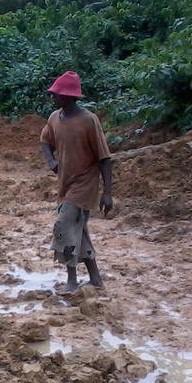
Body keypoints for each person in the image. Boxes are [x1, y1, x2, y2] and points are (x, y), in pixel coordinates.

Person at [40, 71, 113, 294]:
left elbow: (104, 158)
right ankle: (95, 279)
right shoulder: (54, 118)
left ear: (70, 97)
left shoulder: (88, 121)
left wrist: (107, 193)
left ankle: (72, 281)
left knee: (64, 226)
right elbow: (44, 140)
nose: (54, 98)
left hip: (85, 185)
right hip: (66, 185)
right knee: (78, 231)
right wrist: (52, 160)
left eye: (57, 94)